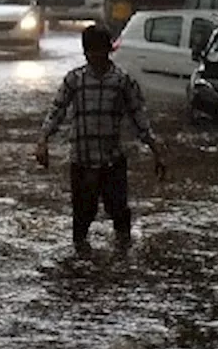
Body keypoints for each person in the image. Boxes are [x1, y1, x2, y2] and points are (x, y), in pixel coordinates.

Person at [36, 25, 166, 254]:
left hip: (111, 160)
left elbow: (139, 117)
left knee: (119, 213)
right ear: (84, 52)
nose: (94, 57)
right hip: (82, 160)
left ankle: (122, 258)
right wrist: (43, 141)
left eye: (99, 51)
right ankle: (82, 262)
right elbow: (56, 111)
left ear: (108, 50)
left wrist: (156, 150)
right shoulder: (74, 80)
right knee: (82, 217)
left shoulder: (121, 81)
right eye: (90, 51)